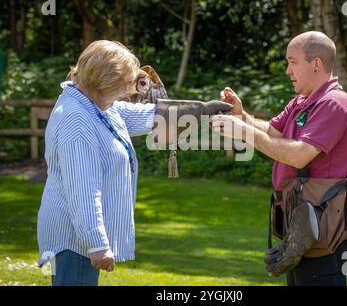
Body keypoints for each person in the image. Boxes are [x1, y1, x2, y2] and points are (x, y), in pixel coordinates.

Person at [37, 40, 231, 286]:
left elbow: (148, 115)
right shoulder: (77, 120)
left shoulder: (98, 106)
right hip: (73, 240)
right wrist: (96, 243)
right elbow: (83, 189)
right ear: (106, 81)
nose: (128, 93)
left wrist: (205, 110)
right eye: (125, 85)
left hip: (78, 237)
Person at [212, 31, 347, 286]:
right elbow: (272, 131)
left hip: (323, 231)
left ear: (316, 63)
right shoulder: (302, 102)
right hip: (300, 227)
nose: (287, 70)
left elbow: (298, 155)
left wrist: (244, 132)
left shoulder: (334, 103)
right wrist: (242, 116)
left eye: (292, 62)